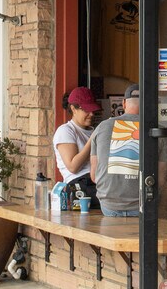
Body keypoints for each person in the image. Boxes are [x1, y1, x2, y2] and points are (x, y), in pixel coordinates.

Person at [89, 83, 143, 218]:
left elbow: (94, 176)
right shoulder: (155, 130)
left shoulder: (102, 127)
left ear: (124, 103)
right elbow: (160, 177)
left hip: (109, 205)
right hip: (142, 204)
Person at [53, 87, 99, 205]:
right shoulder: (66, 131)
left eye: (93, 110)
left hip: (99, 181)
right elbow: (73, 167)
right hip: (79, 184)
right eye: (87, 110)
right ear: (73, 109)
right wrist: (93, 140)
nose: (92, 114)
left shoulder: (94, 130)